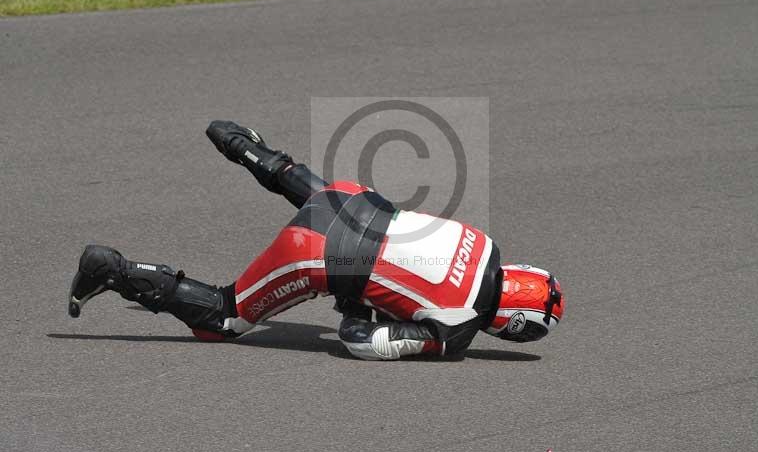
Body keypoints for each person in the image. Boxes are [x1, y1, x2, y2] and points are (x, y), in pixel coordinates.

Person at [68, 121, 564, 360]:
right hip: (318, 256)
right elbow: (359, 341)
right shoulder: (455, 332)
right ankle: (112, 270)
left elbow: (411, 260)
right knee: (224, 318)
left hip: (354, 199)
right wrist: (358, 311)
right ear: (511, 325)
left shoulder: (485, 243)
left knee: (336, 203)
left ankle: (249, 148)